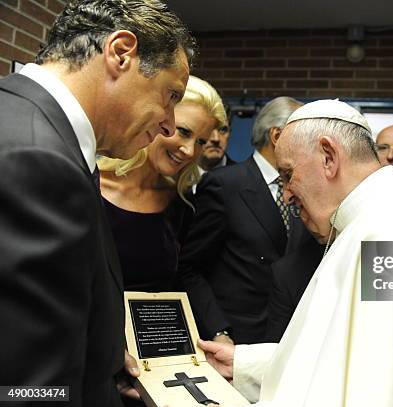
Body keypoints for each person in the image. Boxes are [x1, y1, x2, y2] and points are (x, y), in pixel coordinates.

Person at [199, 100, 393, 407]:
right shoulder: (380, 218)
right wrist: (242, 364)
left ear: (329, 157)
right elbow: (344, 355)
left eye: (287, 174)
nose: (287, 194)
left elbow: (392, 393)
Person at [0, 0, 194, 405]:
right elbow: (30, 389)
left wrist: (99, 359)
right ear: (121, 53)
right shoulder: (39, 157)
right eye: (170, 95)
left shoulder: (43, 130)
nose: (169, 124)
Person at [178, 97, 306, 345]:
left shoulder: (302, 187)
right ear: (277, 136)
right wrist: (218, 331)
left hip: (289, 340)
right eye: (305, 134)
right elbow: (190, 268)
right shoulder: (225, 184)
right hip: (237, 340)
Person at [98, 76, 226, 292]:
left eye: (200, 142)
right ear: (157, 119)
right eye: (184, 132)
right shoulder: (89, 185)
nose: (189, 150)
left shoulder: (181, 205)